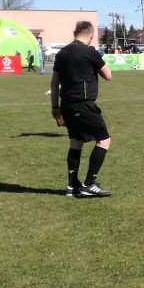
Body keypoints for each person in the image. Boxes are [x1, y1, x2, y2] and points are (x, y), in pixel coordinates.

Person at [50, 21, 113, 198]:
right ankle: (89, 184)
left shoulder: (61, 53)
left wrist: (55, 107)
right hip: (83, 104)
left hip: (66, 105)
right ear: (91, 36)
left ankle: (72, 186)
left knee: (76, 142)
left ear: (74, 32)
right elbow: (108, 75)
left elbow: (54, 83)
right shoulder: (89, 52)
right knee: (103, 141)